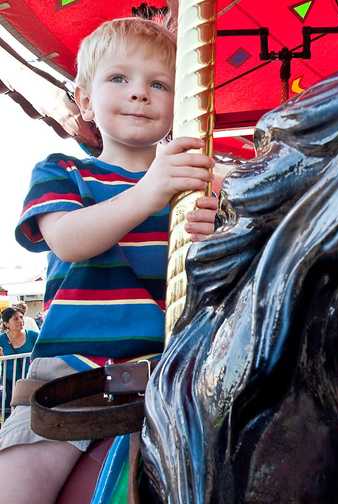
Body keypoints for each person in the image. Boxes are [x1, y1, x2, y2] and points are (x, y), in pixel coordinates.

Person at [0, 17, 218, 504]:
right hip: (76, 375)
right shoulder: (64, 172)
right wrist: (151, 191)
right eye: (119, 78)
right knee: (18, 485)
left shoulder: (187, 194)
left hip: (173, 374)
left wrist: (207, 236)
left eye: (158, 84)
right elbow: (70, 241)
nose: (139, 93)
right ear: (84, 100)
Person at [0, 307, 37, 418]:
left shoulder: (33, 336)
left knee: (30, 413)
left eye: (21, 317)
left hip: (30, 381)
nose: (20, 321)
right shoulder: (1, 340)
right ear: (6, 324)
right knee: (10, 414)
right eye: (15, 319)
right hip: (10, 384)